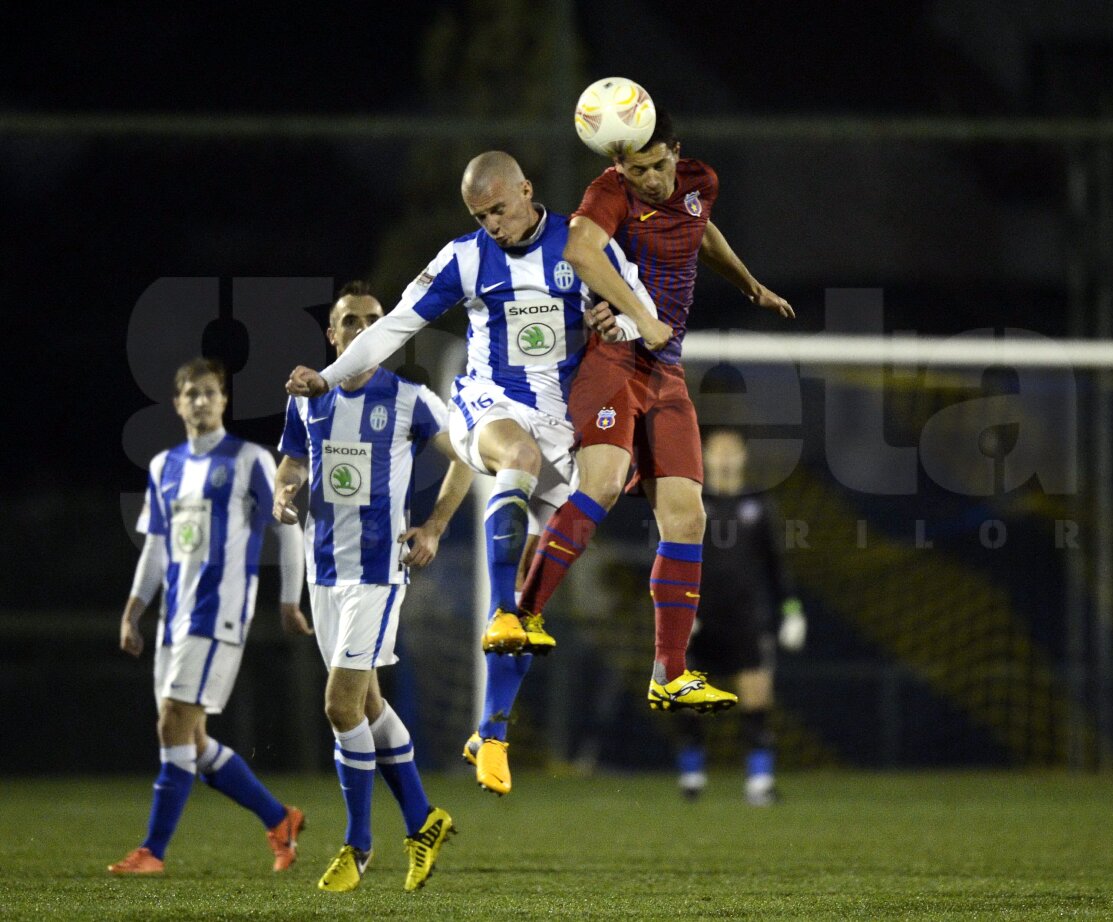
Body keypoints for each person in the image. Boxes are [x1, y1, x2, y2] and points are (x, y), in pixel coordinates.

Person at [284, 152, 657, 797]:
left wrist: (615, 318)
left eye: (500, 211)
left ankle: (491, 731)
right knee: (517, 461)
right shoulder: (464, 257)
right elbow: (397, 324)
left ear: (527, 192)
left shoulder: (583, 244)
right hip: (488, 404)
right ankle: (502, 616)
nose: (493, 226)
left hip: (564, 424)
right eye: (480, 216)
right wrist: (330, 376)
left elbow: (647, 315)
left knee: (534, 591)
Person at [517, 109, 796, 712]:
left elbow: (702, 231)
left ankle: (669, 671)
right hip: (613, 358)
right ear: (618, 166)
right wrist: (639, 318)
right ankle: (525, 614)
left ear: (676, 149)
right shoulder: (608, 192)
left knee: (687, 516)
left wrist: (749, 283)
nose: (647, 178)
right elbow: (581, 251)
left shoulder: (702, 183)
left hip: (665, 371)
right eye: (634, 168)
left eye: (656, 164)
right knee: (605, 485)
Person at [275, 281, 473, 893]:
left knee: (339, 705)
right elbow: (291, 464)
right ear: (332, 337)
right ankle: (424, 820)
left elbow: (464, 459)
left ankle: (357, 847)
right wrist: (285, 492)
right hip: (323, 570)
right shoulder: (307, 402)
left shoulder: (411, 400)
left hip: (379, 571)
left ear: (384, 337)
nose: (360, 330)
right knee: (366, 705)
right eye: (348, 322)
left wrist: (435, 526)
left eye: (372, 321)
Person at [109, 357, 310, 876]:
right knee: (191, 742)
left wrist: (290, 599)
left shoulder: (248, 461)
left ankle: (153, 851)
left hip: (220, 612)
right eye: (190, 394)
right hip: (174, 617)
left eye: (209, 392)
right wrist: (134, 610)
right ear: (177, 403)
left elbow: (286, 528)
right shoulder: (164, 467)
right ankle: (279, 818)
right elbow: (155, 546)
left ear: (223, 400)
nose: (200, 401)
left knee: (174, 723)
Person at [675, 428, 807, 806]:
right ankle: (692, 775)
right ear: (705, 455)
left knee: (756, 699)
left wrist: (792, 611)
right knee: (690, 700)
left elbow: (777, 566)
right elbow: (670, 562)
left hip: (749, 618)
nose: (726, 458)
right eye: (718, 451)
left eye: (733, 451)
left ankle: (760, 782)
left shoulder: (759, 503)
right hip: (699, 618)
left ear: (743, 457)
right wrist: (678, 610)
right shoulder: (690, 502)